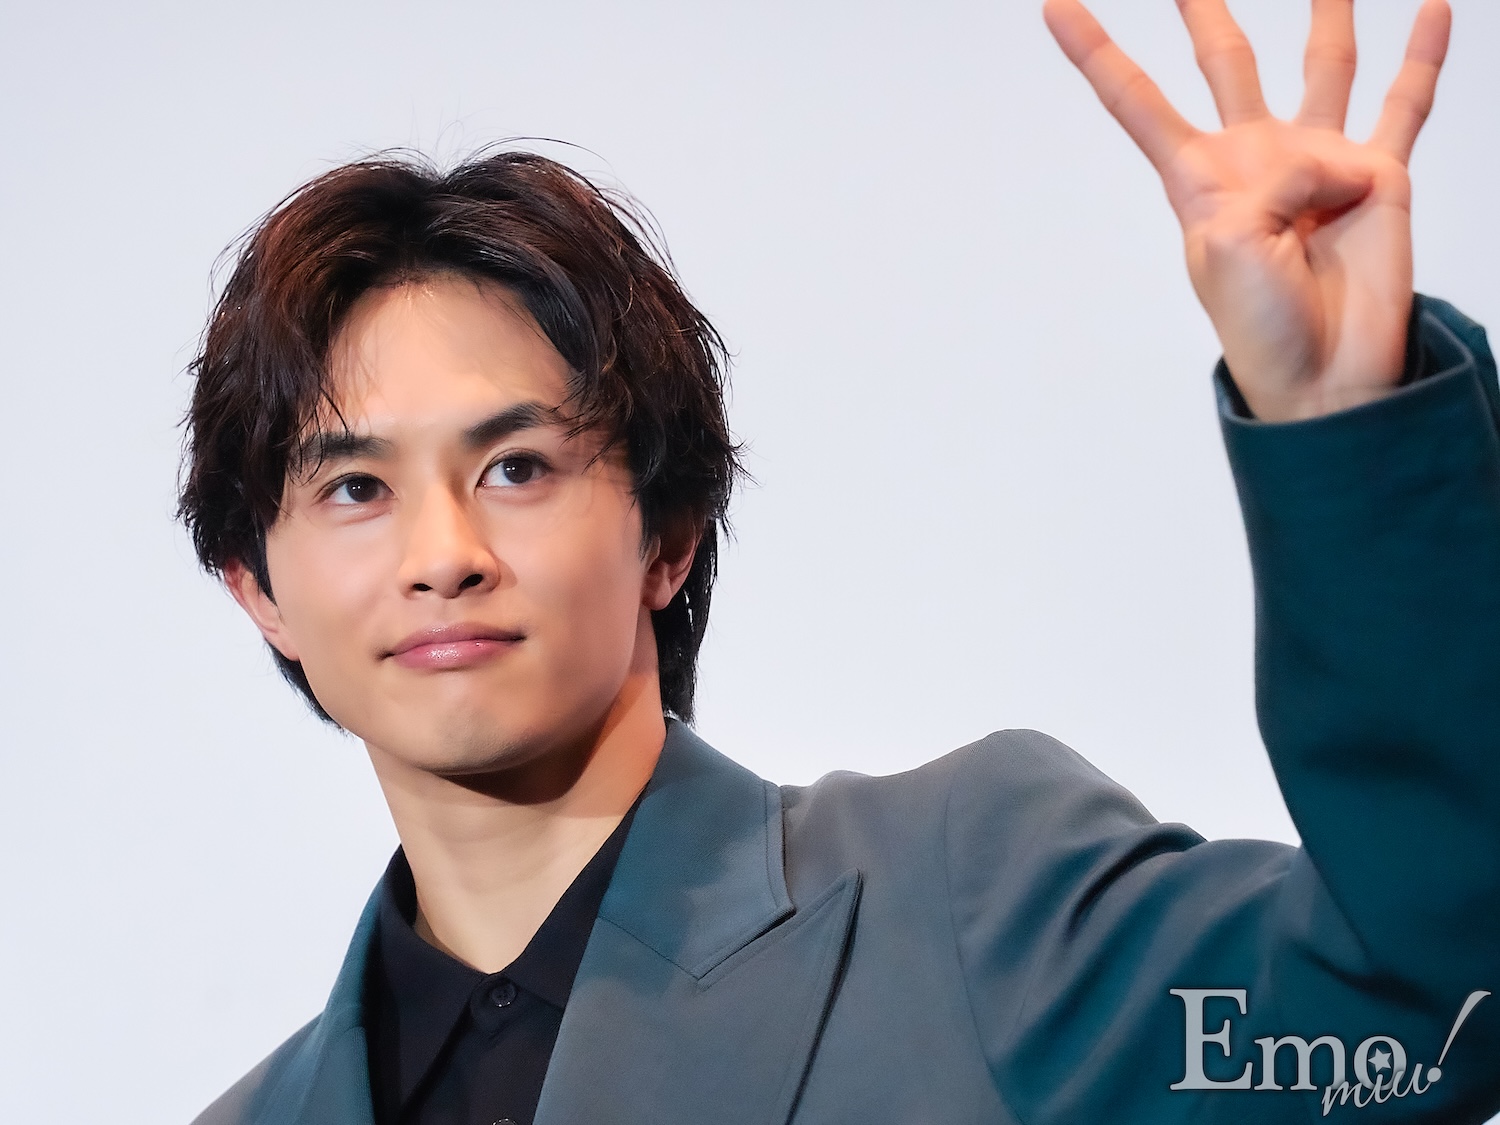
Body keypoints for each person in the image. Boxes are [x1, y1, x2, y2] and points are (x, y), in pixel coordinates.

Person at [185, 1, 1500, 1122]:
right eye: (355, 488)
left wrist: (1347, 430)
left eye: (517, 467)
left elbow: (1435, 1000)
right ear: (258, 589)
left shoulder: (965, 899)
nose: (444, 554)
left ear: (667, 532)